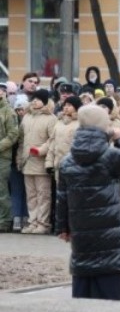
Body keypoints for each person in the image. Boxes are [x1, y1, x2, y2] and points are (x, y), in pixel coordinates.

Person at [55, 104, 120, 301]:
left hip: (81, 227)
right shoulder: (109, 155)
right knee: (108, 273)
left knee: (83, 270)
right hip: (108, 226)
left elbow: (62, 197)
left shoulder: (67, 161)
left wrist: (62, 227)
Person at [17, 89, 57, 234]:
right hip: (27, 161)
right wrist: (19, 157)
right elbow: (21, 140)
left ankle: (43, 223)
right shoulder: (27, 116)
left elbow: (52, 140)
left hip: (41, 161)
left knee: (43, 194)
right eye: (33, 99)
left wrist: (42, 151)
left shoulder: (51, 118)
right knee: (31, 195)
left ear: (45, 101)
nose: (35, 101)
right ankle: (32, 222)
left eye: (39, 99)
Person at [0, 83, 19, 231]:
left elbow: (13, 135)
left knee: (2, 191)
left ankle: (4, 222)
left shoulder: (9, 112)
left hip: (2, 157)